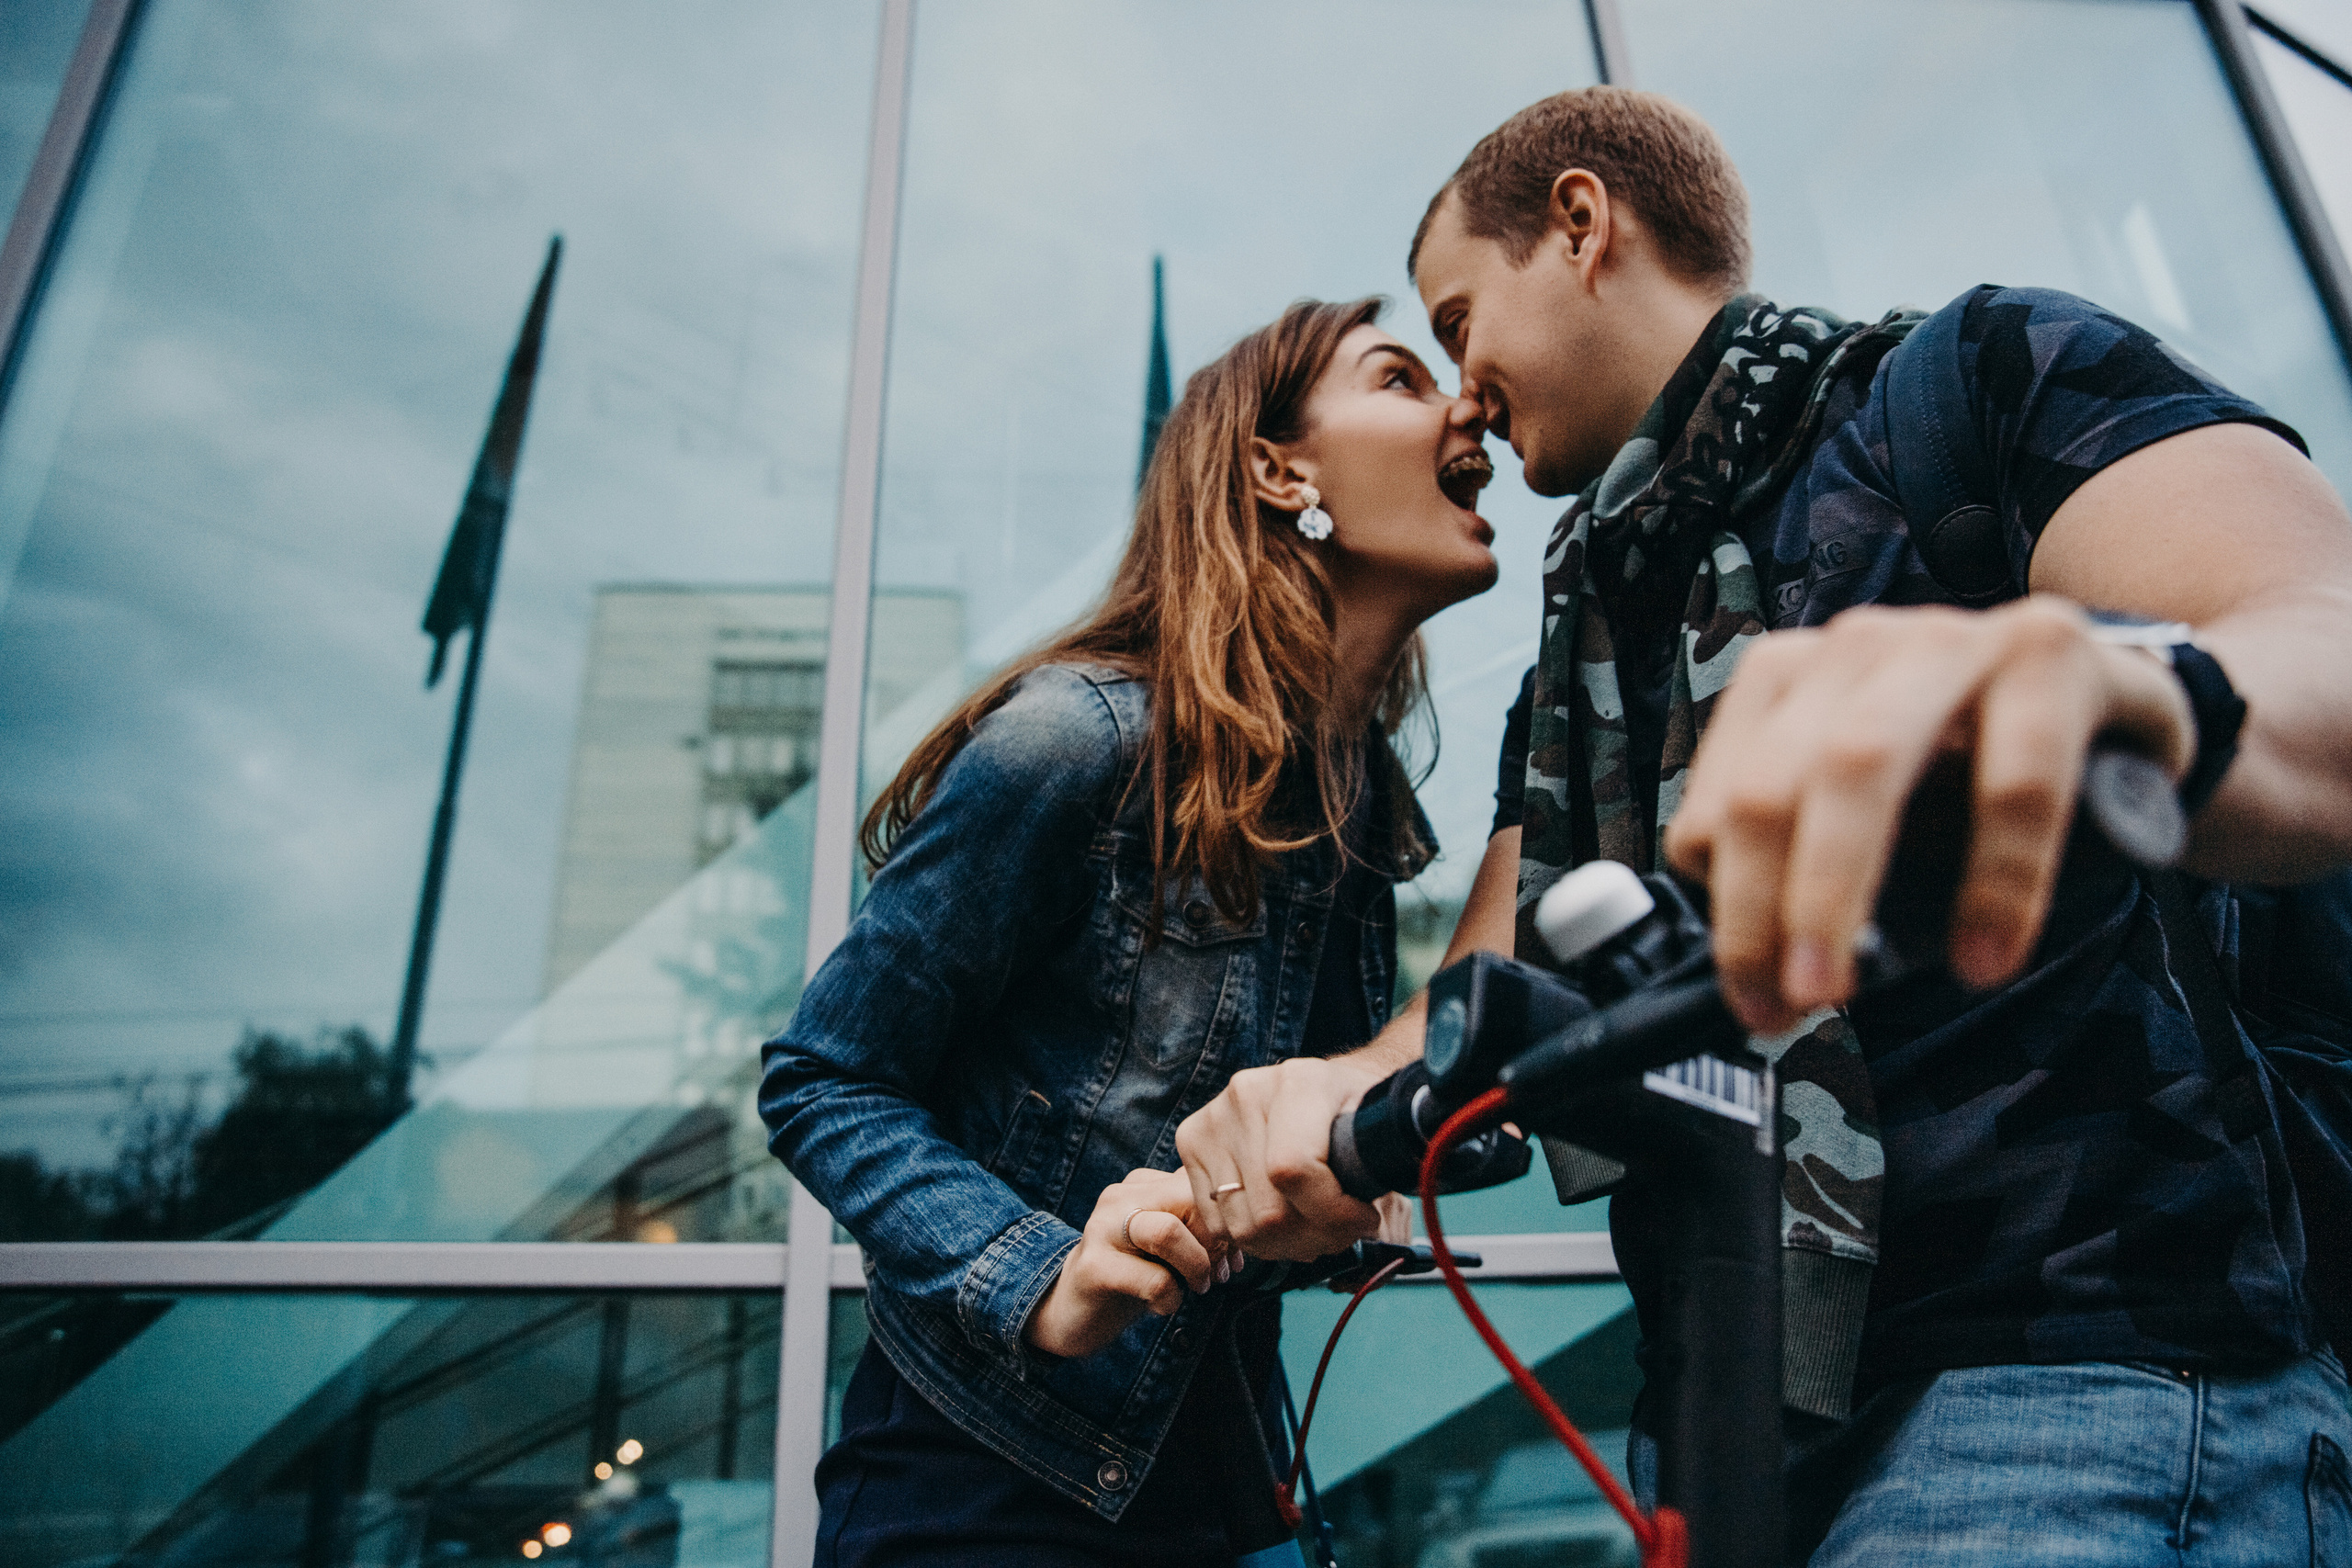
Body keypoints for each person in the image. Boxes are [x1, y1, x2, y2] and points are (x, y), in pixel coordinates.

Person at [1173, 87, 2352, 1563]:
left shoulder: (1978, 378)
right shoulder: (1575, 665)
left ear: (1583, 225)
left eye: (1461, 323)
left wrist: (2127, 683)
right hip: (1734, 1435)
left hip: (2085, 1376)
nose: (1463, 394)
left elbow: (2321, 643)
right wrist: (1297, 1104)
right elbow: (1494, 987)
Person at [759, 296, 1502, 1566]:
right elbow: (825, 1078)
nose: (1468, 404)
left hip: (1229, 1485)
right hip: (983, 1495)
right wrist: (1041, 1276)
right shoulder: (1081, 740)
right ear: (1278, 471)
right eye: (1399, 378)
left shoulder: (1362, 813)